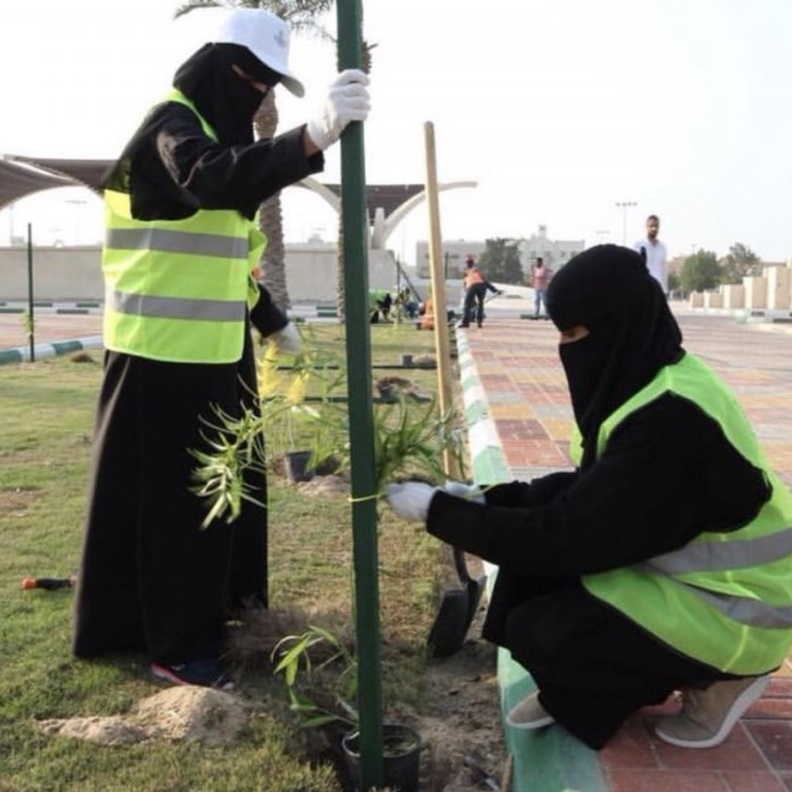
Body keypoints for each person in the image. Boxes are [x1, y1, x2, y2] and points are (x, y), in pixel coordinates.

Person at [385, 244, 792, 751]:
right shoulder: (644, 380)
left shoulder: (671, 419)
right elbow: (587, 491)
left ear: (618, 324)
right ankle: (591, 688)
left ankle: (722, 677)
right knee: (526, 581)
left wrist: (440, 513)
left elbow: (568, 537)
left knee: (550, 627)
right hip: (682, 580)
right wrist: (487, 498)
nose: (568, 350)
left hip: (738, 612)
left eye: (575, 335)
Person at [73, 8, 371, 689]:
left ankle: (225, 617)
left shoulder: (225, 139)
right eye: (248, 77)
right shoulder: (171, 128)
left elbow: (225, 259)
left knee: (233, 494)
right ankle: (176, 647)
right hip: (157, 354)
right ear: (213, 64)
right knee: (180, 505)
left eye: (269, 84)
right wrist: (311, 138)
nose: (258, 93)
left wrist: (271, 320)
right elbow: (209, 176)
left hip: (216, 352)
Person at [458, 255, 500, 328]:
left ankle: (465, 323)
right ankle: (479, 322)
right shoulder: (477, 271)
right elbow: (486, 282)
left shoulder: (466, 272)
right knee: (480, 304)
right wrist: (495, 290)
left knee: (467, 305)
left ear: (467, 264)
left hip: (472, 286)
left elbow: (466, 286)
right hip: (482, 287)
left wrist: (471, 300)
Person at [634, 214, 668, 295]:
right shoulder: (638, 245)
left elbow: (664, 270)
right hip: (643, 289)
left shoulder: (662, 247)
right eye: (651, 226)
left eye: (656, 226)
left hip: (658, 289)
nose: (654, 228)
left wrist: (665, 290)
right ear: (646, 227)